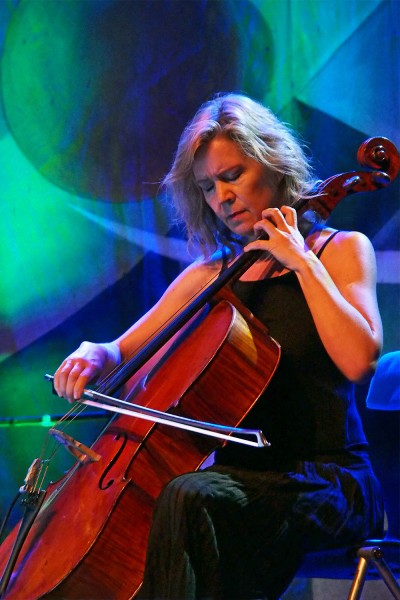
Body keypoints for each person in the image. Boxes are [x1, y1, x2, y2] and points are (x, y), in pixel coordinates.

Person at [54, 93, 384, 599]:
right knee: (179, 504)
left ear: (273, 164)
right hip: (237, 482)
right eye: (207, 187)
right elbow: (121, 349)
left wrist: (302, 263)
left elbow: (360, 361)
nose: (221, 197)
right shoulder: (210, 275)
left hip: (330, 481)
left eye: (232, 176)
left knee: (189, 497)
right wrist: (94, 353)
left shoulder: (339, 251)